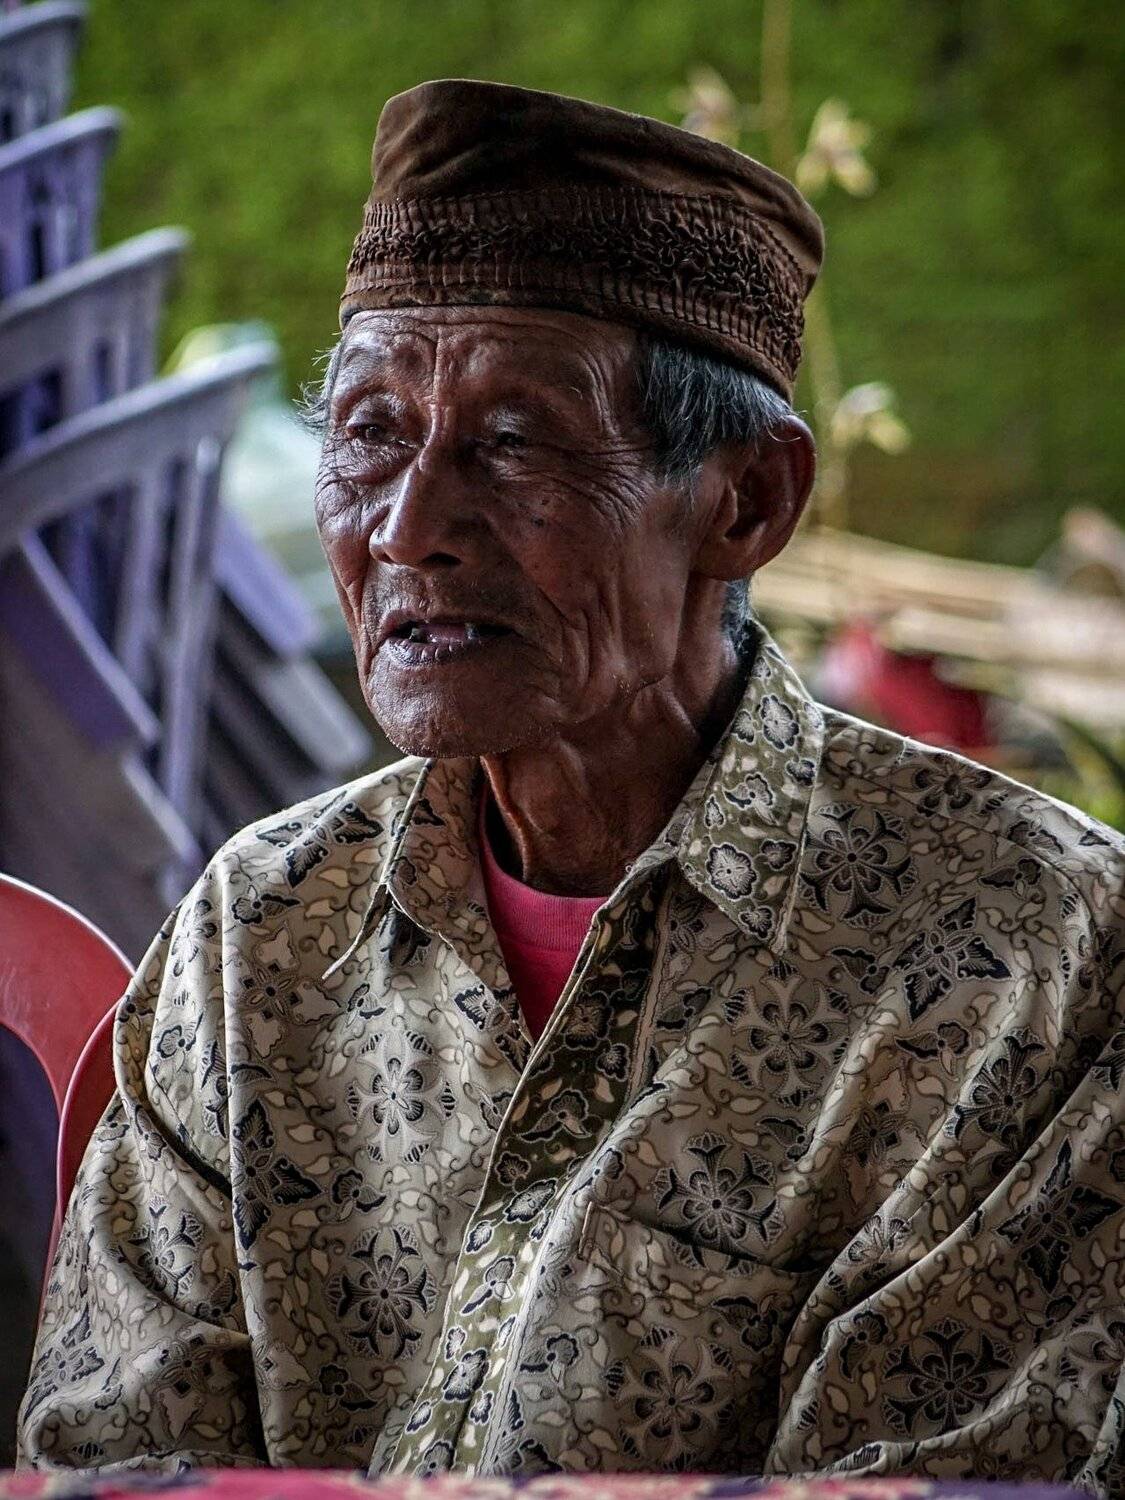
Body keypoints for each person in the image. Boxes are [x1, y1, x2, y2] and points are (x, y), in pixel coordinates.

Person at [19, 80, 1125, 1493]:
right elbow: (112, 1460)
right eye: (369, 433)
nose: (408, 528)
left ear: (746, 503)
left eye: (514, 443)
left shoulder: (1032, 952)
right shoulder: (263, 931)